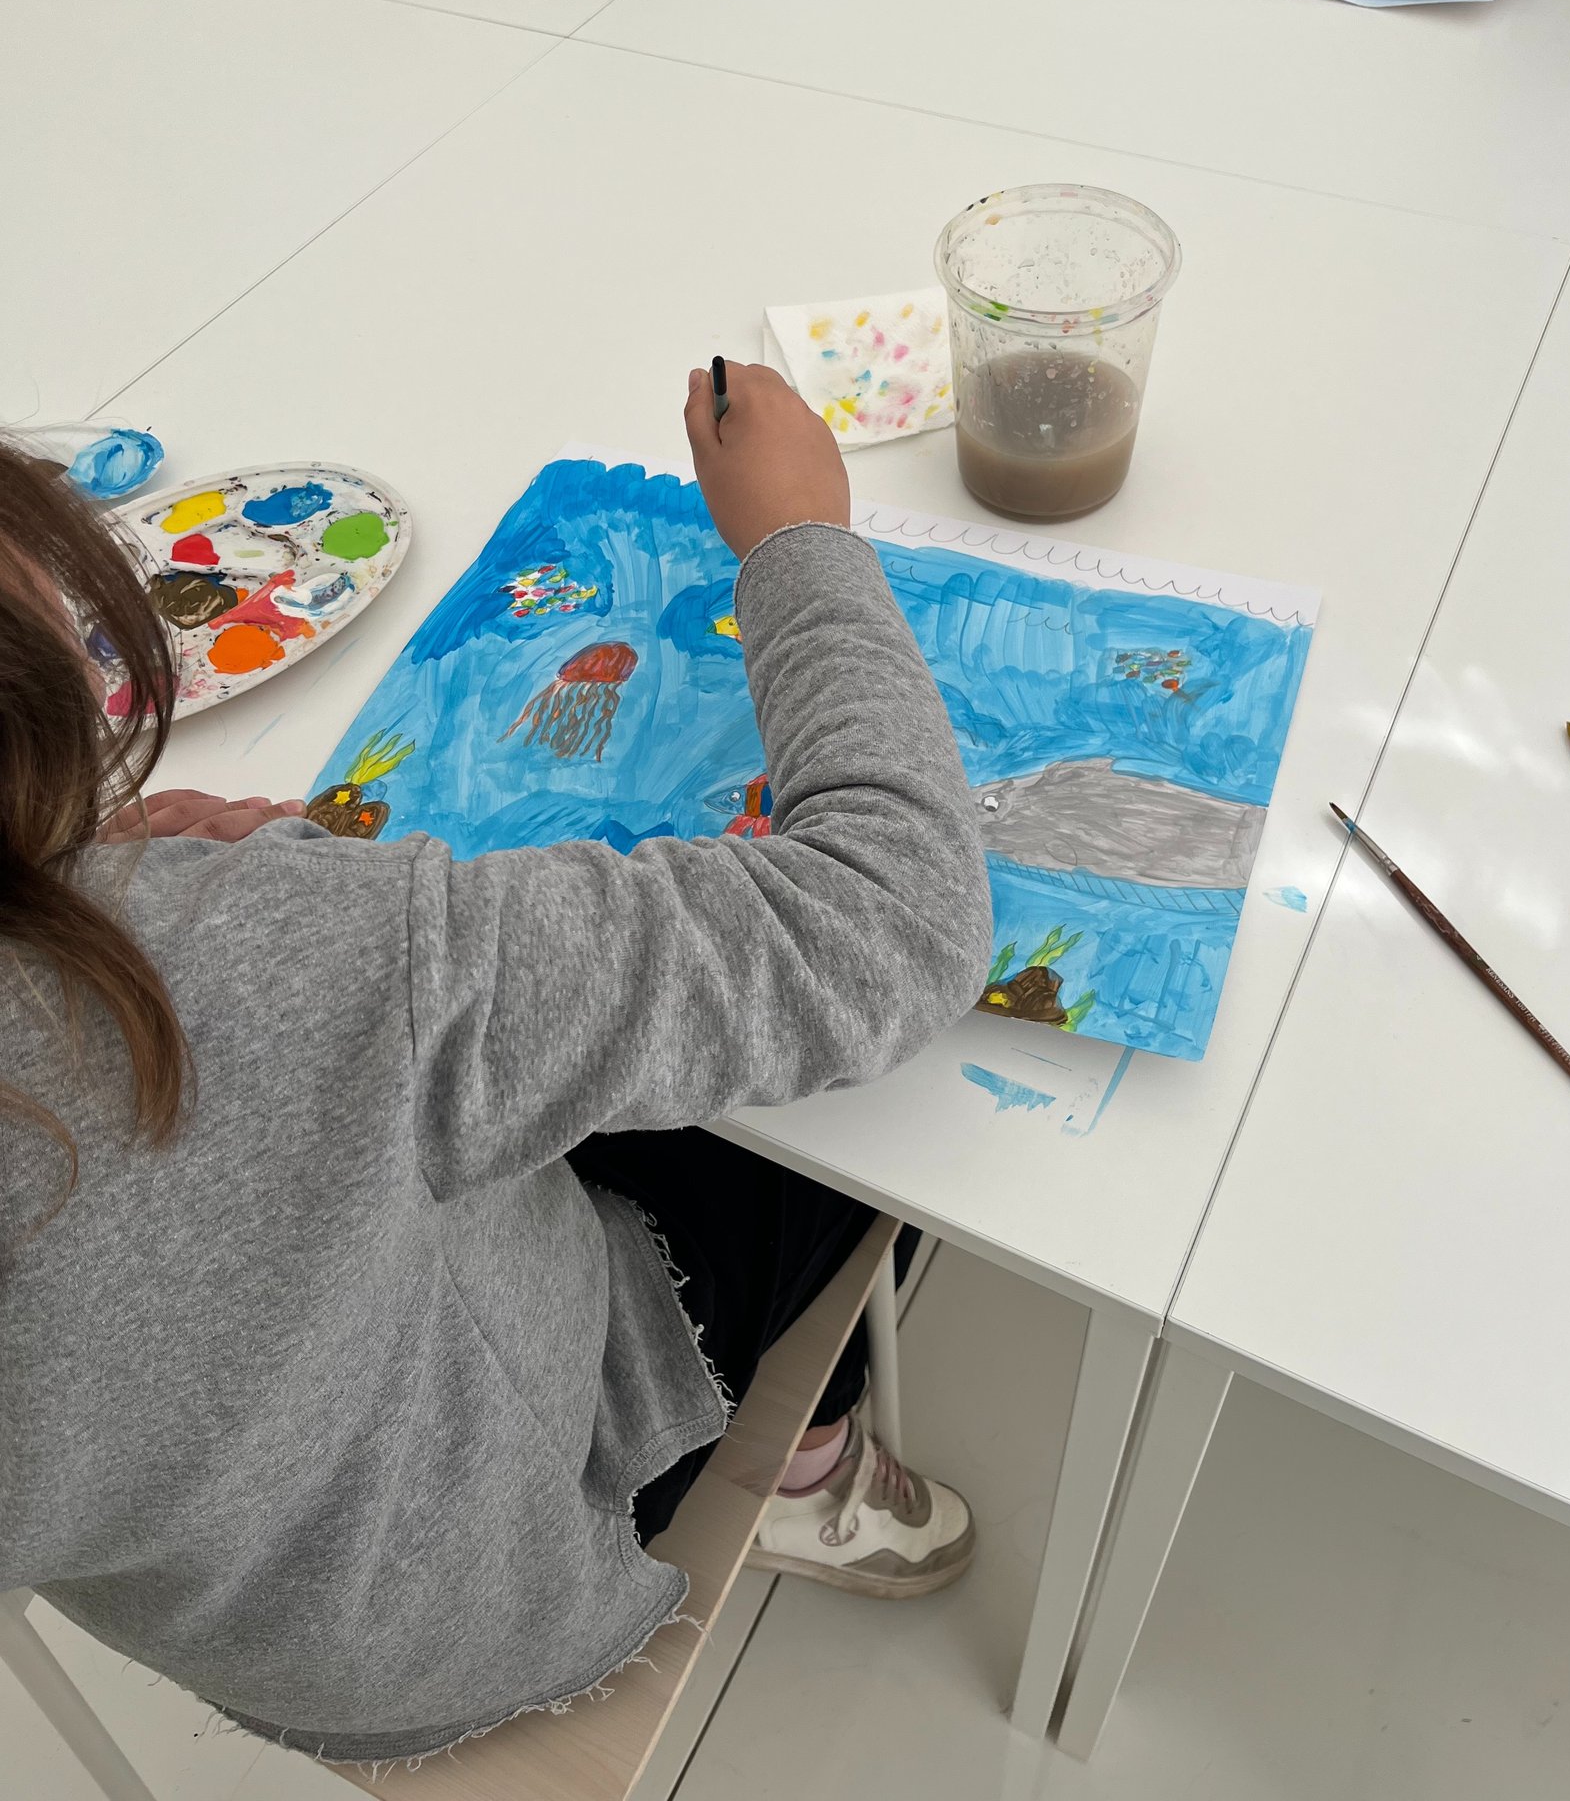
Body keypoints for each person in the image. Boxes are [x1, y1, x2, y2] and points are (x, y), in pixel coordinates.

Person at [0, 366, 993, 1765]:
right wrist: (794, 537)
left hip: (248, 1633)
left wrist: (73, 878)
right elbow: (894, 920)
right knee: (874, 1126)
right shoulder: (248, 962)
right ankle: (803, 1465)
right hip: (522, 1563)